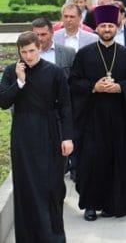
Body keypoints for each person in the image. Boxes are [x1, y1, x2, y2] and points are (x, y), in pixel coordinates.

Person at [68, 5, 126, 221]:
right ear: (97, 28)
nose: (107, 29)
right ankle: (91, 205)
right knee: (92, 162)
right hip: (93, 119)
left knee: (118, 161)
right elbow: (73, 82)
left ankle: (115, 205)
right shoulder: (84, 54)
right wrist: (94, 86)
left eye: (111, 25)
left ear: (117, 27)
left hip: (119, 118)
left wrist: (120, 88)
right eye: (103, 25)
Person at [0, 31, 74, 242]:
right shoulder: (11, 71)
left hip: (50, 132)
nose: (28, 56)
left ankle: (53, 237)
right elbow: (3, 101)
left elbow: (66, 106)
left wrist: (67, 137)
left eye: (31, 51)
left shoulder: (55, 72)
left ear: (39, 48)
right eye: (23, 52)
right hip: (23, 134)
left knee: (51, 186)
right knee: (25, 186)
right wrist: (20, 82)